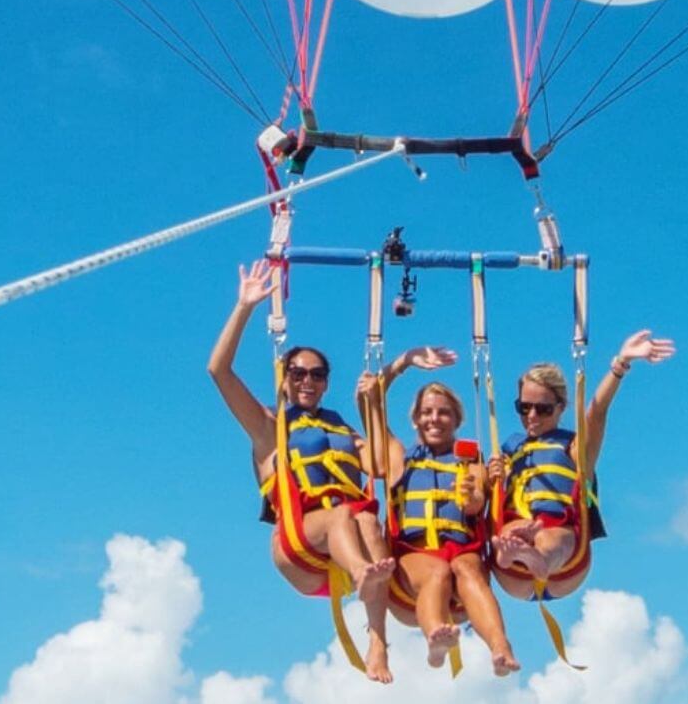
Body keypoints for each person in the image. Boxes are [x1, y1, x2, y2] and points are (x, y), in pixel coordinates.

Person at [207, 259, 395, 684]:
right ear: (285, 378)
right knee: (344, 515)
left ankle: (379, 645)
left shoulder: (343, 430)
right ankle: (362, 574)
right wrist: (244, 308)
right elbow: (219, 371)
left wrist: (375, 403)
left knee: (366, 515)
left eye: (317, 374)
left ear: (327, 383)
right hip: (299, 546)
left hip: (354, 539)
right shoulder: (269, 426)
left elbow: (382, 467)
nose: (307, 380)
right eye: (297, 373)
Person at [362, 348, 521, 676]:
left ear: (456, 419)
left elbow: (477, 501)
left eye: (443, 413)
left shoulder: (470, 458)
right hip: (415, 554)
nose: (434, 419)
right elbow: (370, 401)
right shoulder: (397, 457)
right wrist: (403, 363)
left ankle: (500, 646)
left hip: (462, 549)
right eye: (427, 412)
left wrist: (471, 496)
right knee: (437, 571)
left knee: (467, 570)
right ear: (416, 419)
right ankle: (436, 636)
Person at [488, 330, 675, 601]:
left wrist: (620, 363)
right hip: (513, 568)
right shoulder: (509, 448)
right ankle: (514, 552)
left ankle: (537, 558)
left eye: (542, 409)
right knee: (509, 531)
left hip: (564, 562)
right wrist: (491, 476)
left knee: (551, 539)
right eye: (523, 407)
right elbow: (480, 495)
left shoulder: (575, 447)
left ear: (561, 407)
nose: (531, 416)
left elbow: (596, 413)